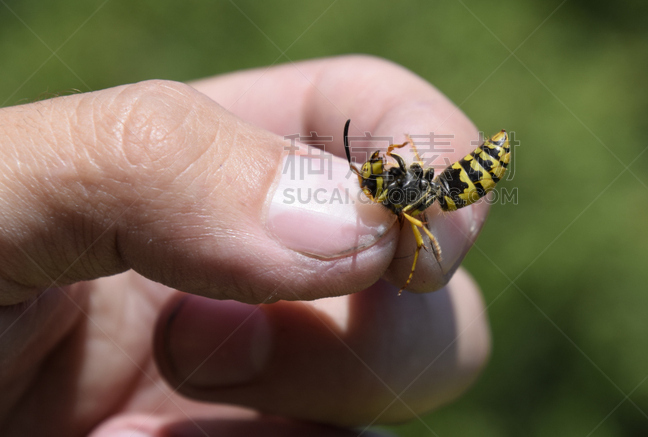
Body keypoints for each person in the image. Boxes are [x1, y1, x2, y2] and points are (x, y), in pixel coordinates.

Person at [0, 56, 491, 436]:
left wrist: (414, 267)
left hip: (449, 188)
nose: (364, 184)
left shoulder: (409, 203)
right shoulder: (396, 195)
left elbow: (421, 224)